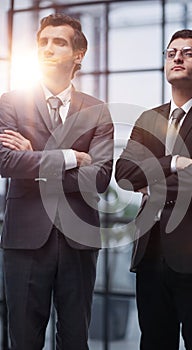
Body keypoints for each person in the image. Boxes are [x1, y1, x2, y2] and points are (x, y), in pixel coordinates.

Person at [0, 13, 113, 350]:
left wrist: (35, 158)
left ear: (78, 54)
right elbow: (5, 162)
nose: (47, 49)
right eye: (43, 43)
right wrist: (69, 157)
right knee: (23, 340)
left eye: (58, 42)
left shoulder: (98, 110)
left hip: (78, 238)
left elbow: (101, 177)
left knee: (75, 339)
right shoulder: (10, 102)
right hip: (25, 240)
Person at [115, 29, 192, 350]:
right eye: (171, 53)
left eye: (188, 53)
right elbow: (123, 175)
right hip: (150, 253)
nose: (177, 57)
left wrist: (150, 181)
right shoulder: (148, 118)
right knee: (154, 343)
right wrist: (173, 162)